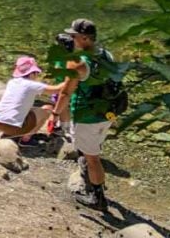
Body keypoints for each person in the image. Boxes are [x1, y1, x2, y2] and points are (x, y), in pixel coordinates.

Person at [52, 18, 113, 211]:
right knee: (94, 148)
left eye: (74, 35)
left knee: (92, 158)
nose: (71, 38)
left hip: (87, 117)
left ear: (85, 38)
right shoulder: (106, 54)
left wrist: (55, 113)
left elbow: (65, 92)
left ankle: (98, 198)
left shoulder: (78, 63)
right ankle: (93, 177)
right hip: (109, 112)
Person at [0, 56, 67, 141]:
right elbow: (56, 90)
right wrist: (72, 79)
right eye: (36, 73)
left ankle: (10, 133)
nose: (37, 76)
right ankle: (26, 138)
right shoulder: (31, 85)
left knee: (29, 109)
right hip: (12, 127)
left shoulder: (12, 82)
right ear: (32, 74)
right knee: (47, 110)